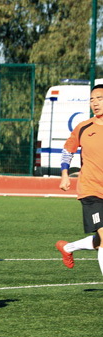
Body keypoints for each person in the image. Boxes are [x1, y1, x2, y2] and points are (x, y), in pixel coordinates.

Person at [55, 83, 103, 276]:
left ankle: (68, 248)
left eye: (99, 98)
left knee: (100, 239)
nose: (95, 103)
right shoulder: (84, 127)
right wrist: (65, 174)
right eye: (92, 99)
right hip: (91, 191)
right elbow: (68, 150)